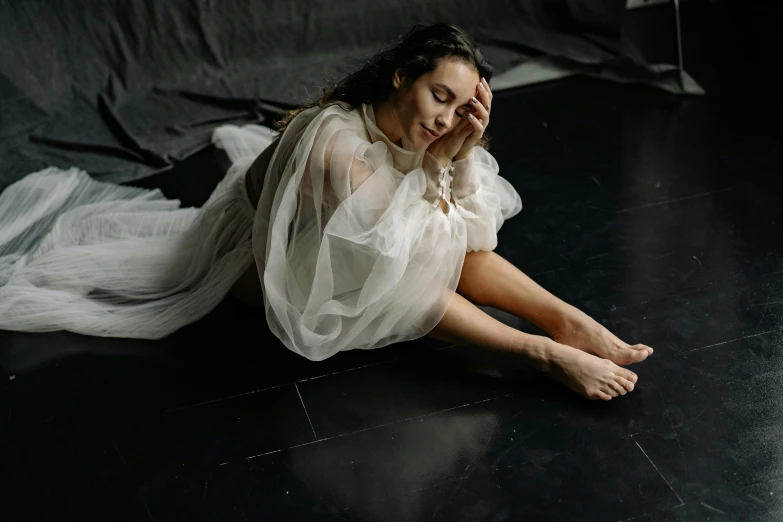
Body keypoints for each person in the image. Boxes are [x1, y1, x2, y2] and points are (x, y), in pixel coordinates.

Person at [0, 23, 652, 400]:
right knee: (414, 263)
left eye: (461, 108)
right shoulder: (333, 141)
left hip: (362, 243)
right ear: (401, 76)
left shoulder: (427, 132)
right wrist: (447, 157)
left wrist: (457, 152)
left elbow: (463, 229)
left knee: (449, 242)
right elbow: (398, 248)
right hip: (260, 264)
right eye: (437, 96)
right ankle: (540, 352)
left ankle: (566, 319)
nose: (444, 117)